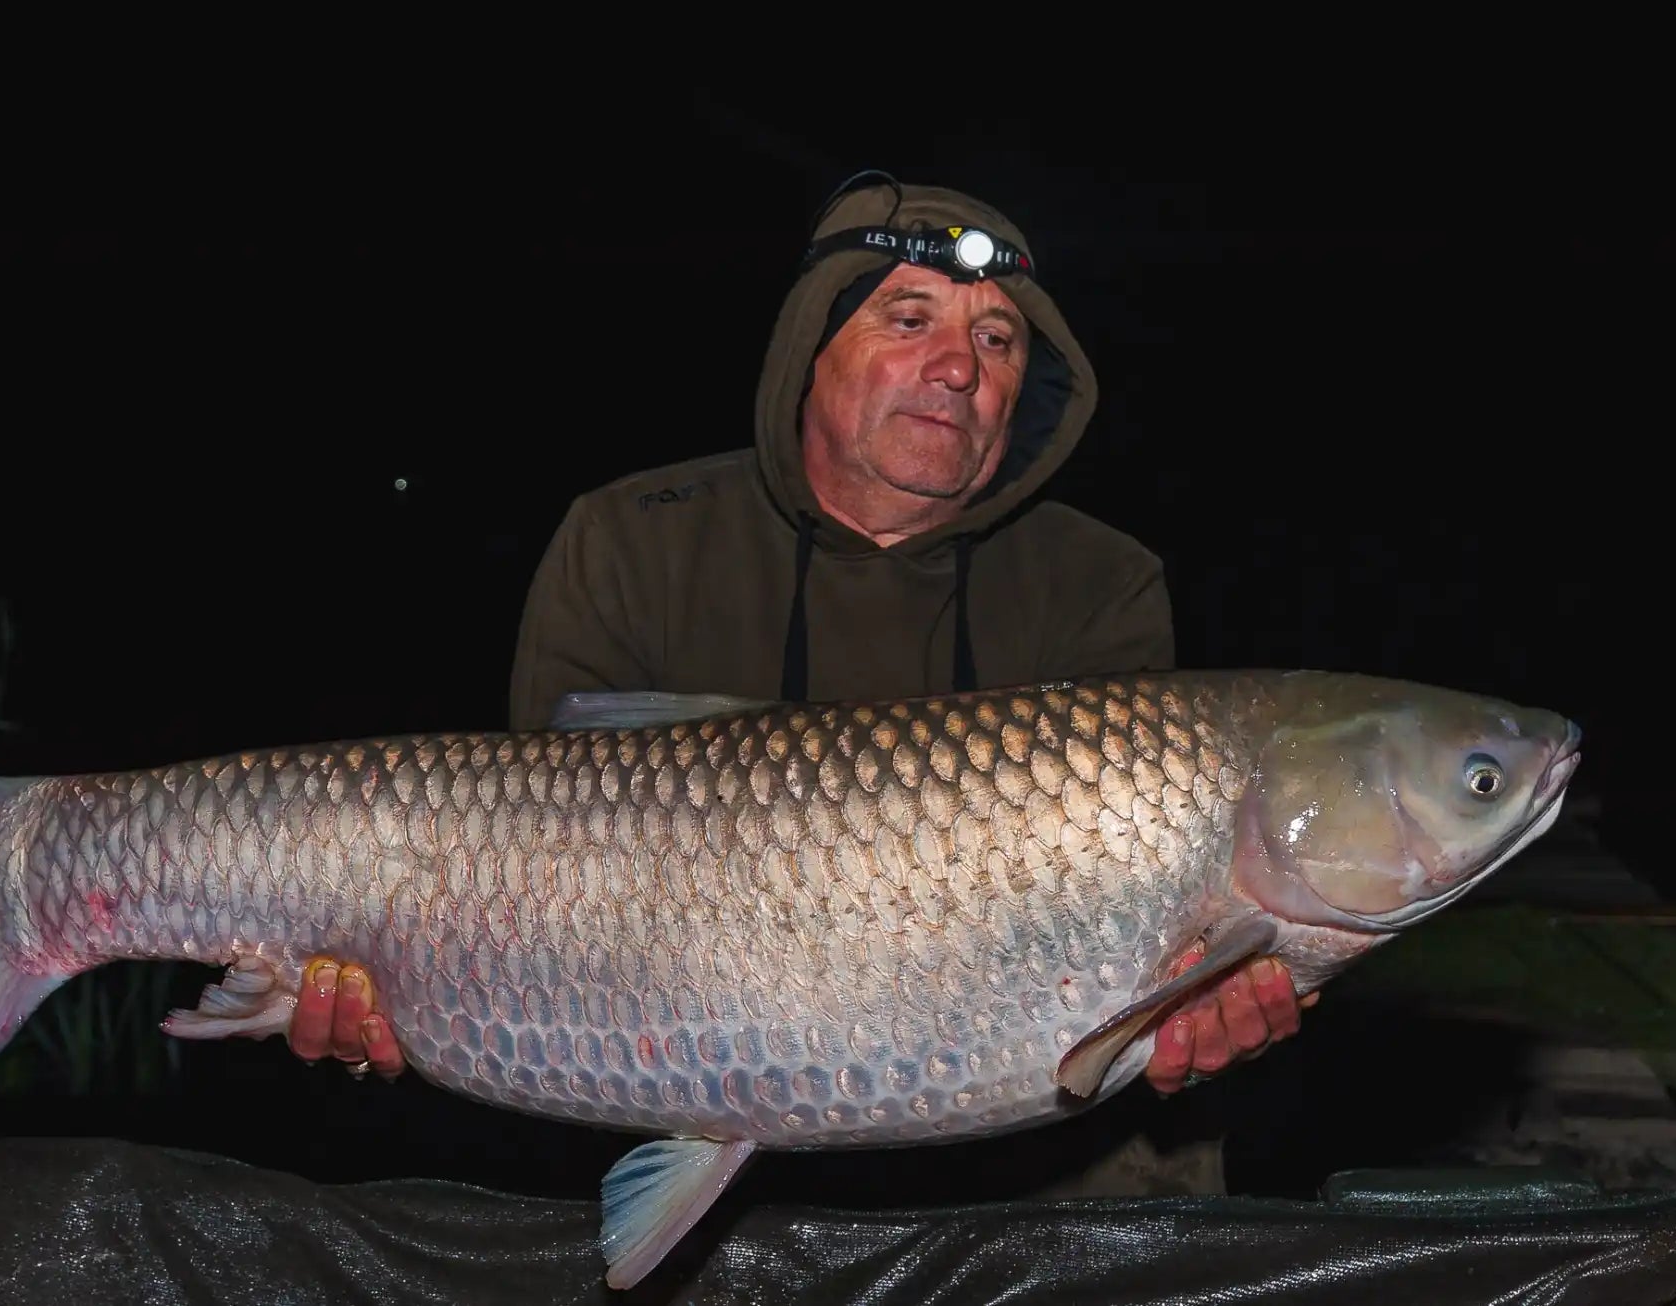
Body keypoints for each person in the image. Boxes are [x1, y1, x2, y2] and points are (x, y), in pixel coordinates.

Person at [287, 172, 1315, 1148]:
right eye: (907, 320)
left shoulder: (1097, 582)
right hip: (641, 1076)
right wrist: (409, 985)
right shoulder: (629, 541)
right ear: (807, 350)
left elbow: (1131, 955)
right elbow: (530, 884)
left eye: (995, 339)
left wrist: (1194, 1010)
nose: (958, 367)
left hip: (1030, 1174)